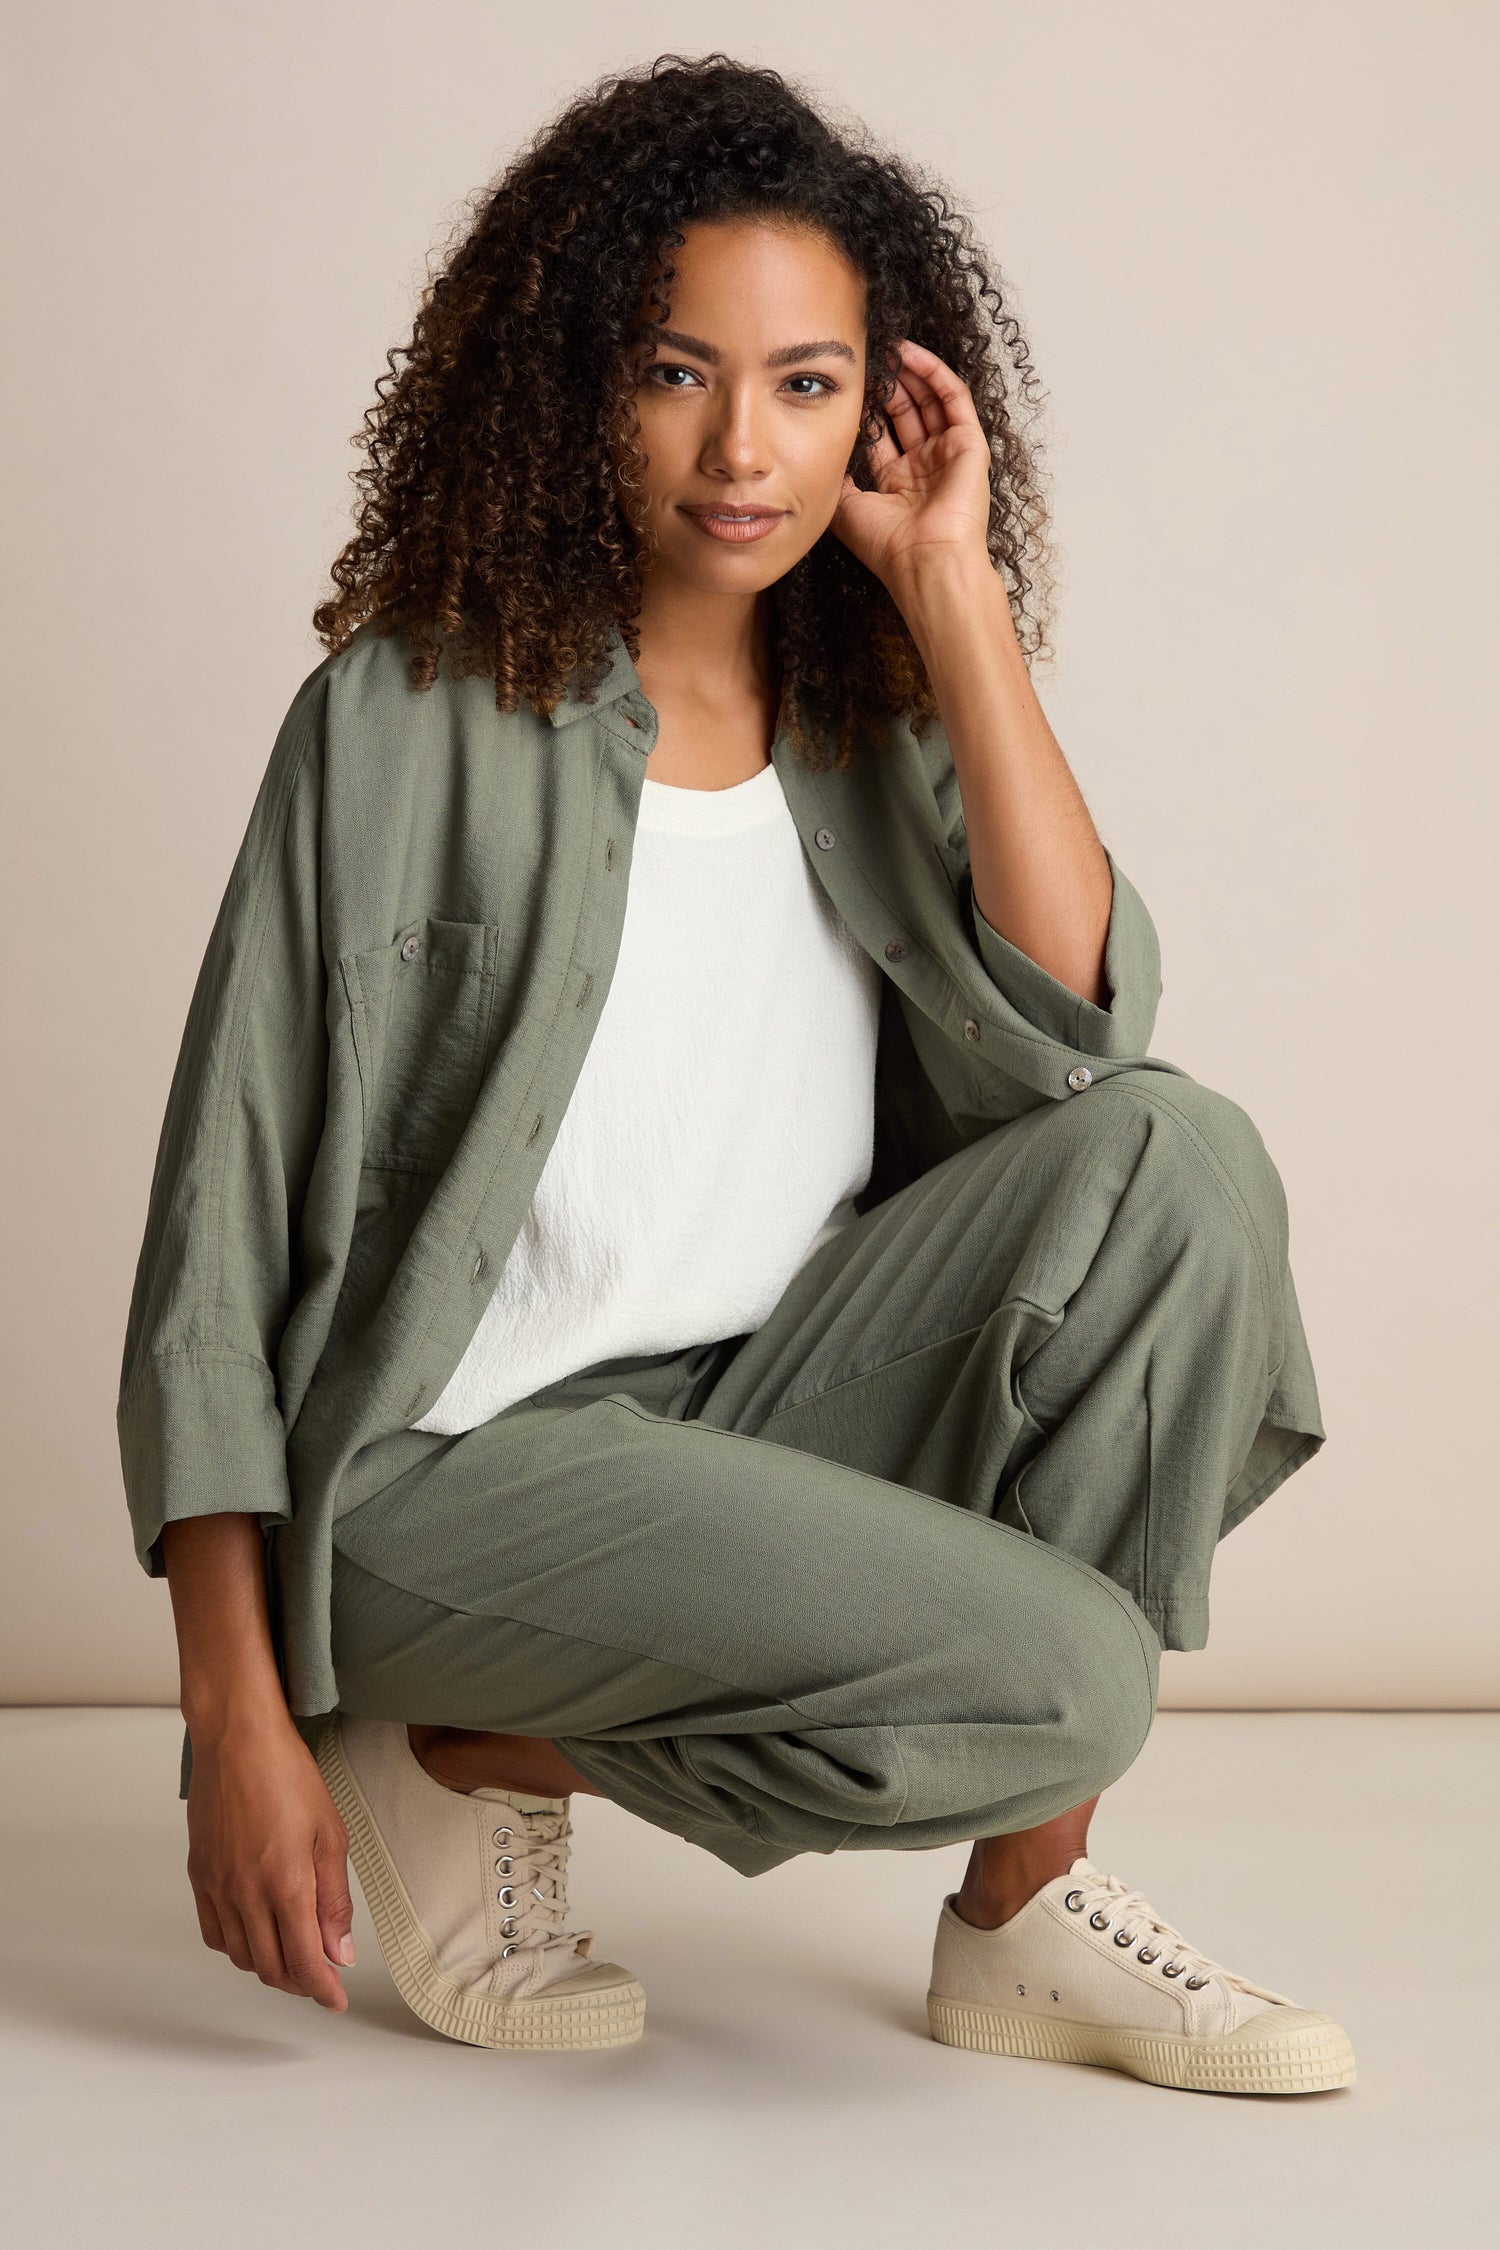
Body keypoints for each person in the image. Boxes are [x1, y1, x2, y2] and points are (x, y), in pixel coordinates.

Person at [116, 53, 1351, 2093]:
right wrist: (236, 1719)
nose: (740, 448)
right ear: (577, 380)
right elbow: (216, 1250)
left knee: (1182, 1159)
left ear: (881, 403)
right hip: (448, 1482)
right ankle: (397, 1730)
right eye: (679, 372)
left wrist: (956, 596)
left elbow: (1078, 1030)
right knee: (1071, 1673)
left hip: (751, 1418)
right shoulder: (398, 720)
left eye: (804, 384)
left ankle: (1015, 1916)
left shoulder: (868, 715)